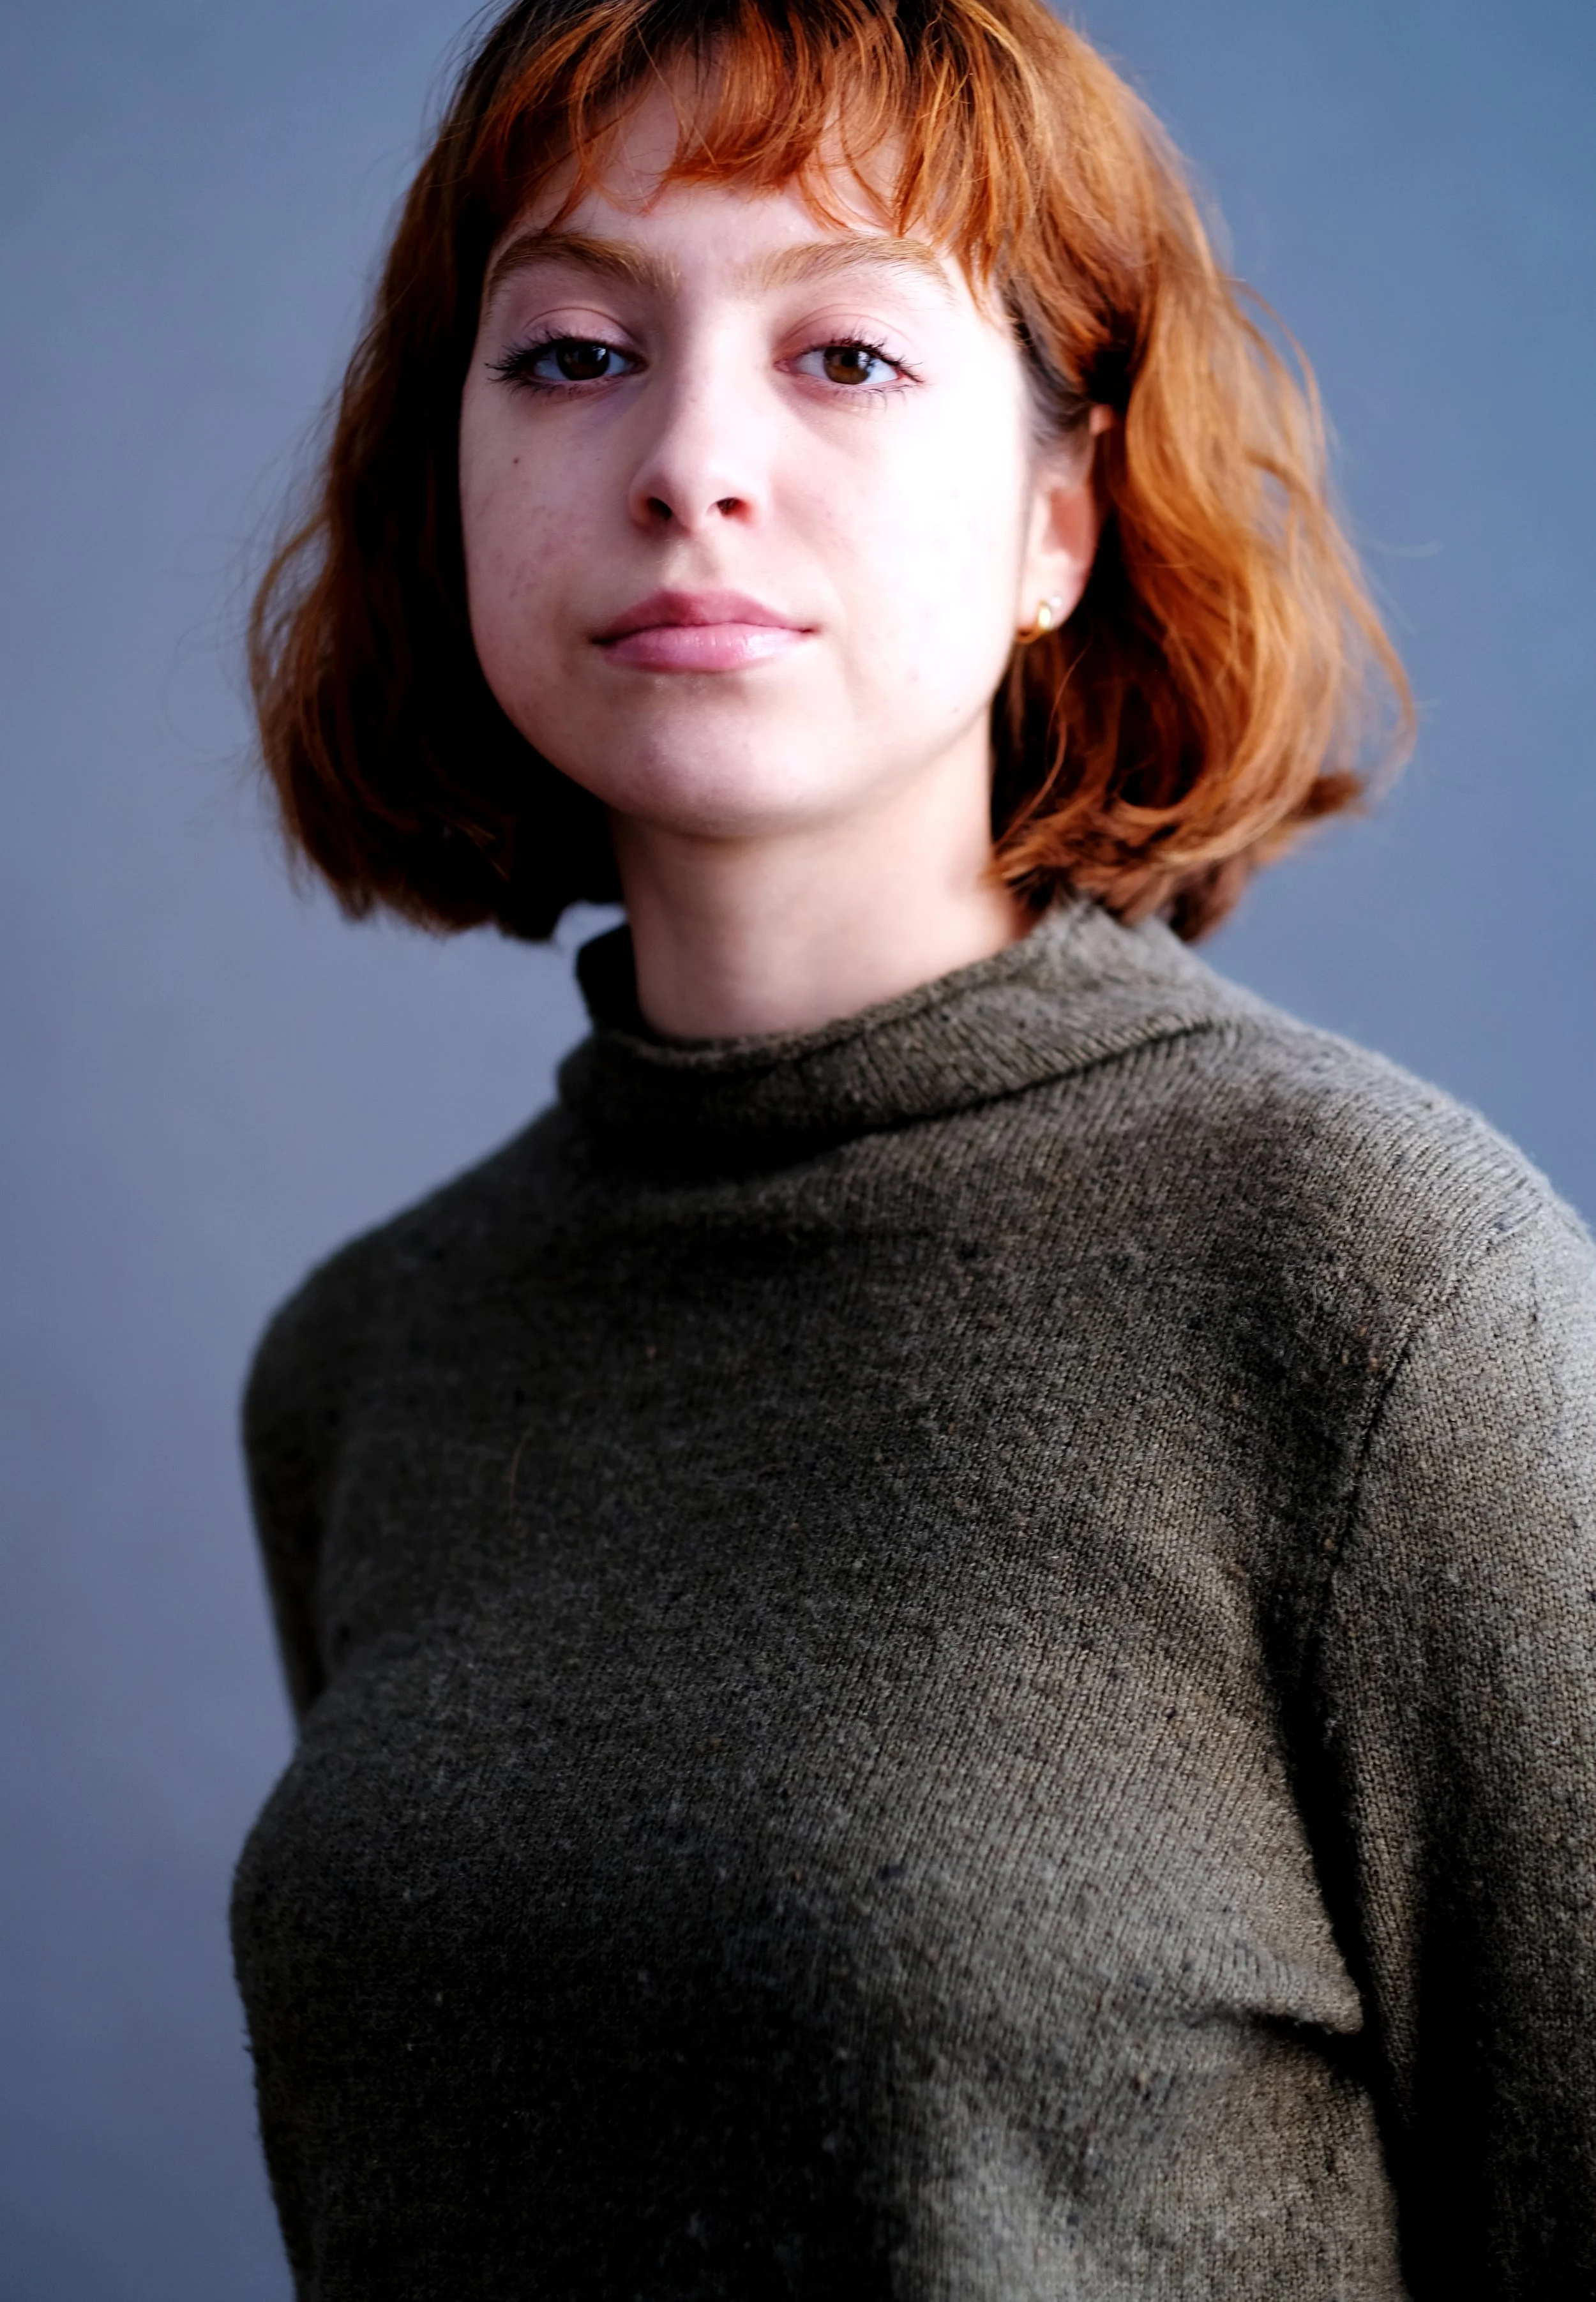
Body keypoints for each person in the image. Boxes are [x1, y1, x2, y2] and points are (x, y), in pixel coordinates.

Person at [230, 0, 1596, 2292]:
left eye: (846, 354)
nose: (690, 461)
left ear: (1059, 514)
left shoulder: (1378, 1290)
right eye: (573, 354)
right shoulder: (366, 1363)